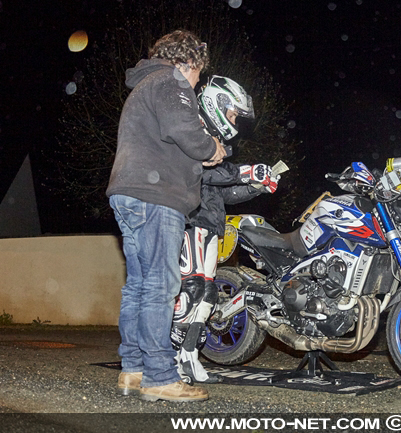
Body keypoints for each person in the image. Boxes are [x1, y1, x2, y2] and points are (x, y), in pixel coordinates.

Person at [106, 30, 226, 402]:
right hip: (157, 196)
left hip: (130, 192)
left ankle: (133, 369)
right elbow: (182, 129)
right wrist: (211, 149)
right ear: (189, 63)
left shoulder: (143, 85)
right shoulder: (171, 80)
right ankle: (160, 375)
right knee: (161, 285)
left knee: (140, 286)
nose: (197, 82)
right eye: (198, 75)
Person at [170, 76, 279, 384]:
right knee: (189, 290)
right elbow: (201, 174)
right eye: (232, 114)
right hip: (189, 219)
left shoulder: (214, 142)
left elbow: (222, 191)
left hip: (209, 224)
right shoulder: (194, 132)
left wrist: (256, 187)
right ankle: (168, 357)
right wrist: (246, 172)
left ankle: (188, 356)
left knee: (206, 292)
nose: (233, 121)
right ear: (218, 104)